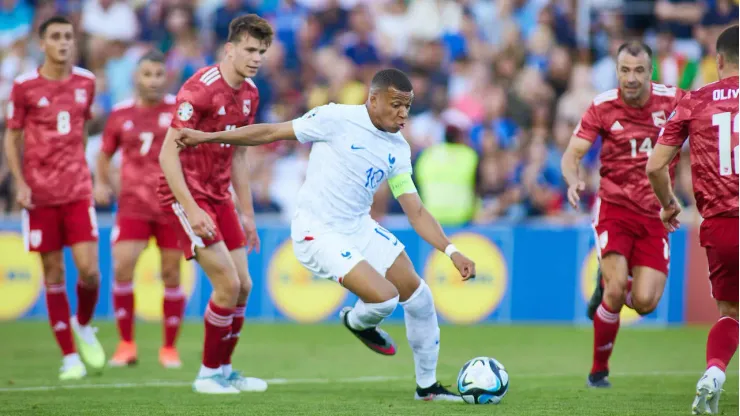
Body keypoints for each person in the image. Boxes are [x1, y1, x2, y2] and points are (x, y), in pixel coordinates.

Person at [176, 68, 477, 402]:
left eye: (407, 106)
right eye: (395, 104)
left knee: (419, 297)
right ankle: (358, 321)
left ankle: (428, 388)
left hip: (358, 226)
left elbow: (416, 211)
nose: (403, 113)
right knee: (386, 298)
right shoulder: (335, 117)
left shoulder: (398, 149)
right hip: (317, 231)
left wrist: (451, 251)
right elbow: (272, 131)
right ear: (373, 99)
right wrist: (206, 137)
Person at [560, 41, 684, 388]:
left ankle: (612, 281)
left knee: (645, 303)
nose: (631, 78)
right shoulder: (602, 106)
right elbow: (571, 155)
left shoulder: (674, 100)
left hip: (657, 213)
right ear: (616, 71)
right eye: (625, 70)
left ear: (651, 72)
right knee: (616, 291)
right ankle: (599, 370)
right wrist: (573, 180)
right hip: (614, 207)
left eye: (639, 70)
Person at [158, 14, 269, 394]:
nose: (256, 58)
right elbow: (167, 155)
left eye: (262, 51)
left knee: (244, 286)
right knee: (227, 282)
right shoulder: (199, 90)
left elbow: (238, 155)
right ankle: (207, 374)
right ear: (230, 48)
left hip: (220, 195)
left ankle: (224, 370)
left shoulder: (251, 93)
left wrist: (248, 214)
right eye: (250, 49)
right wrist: (191, 208)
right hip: (185, 194)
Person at [3, 15, 104, 381]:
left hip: (77, 190)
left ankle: (84, 323)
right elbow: (12, 137)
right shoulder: (25, 86)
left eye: (68, 37)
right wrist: (21, 182)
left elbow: (80, 129)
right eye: (56, 37)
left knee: (90, 271)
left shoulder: (86, 82)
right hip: (41, 194)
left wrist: (81, 168)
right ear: (42, 44)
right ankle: (69, 357)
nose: (64, 42)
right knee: (54, 273)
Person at [646, 24, 739, 415]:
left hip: (719, 225)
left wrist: (669, 203)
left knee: (730, 312)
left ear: (717, 61)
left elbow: (655, 166)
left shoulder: (693, 101)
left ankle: (715, 372)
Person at [95, 50, 185, 369]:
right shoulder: (120, 113)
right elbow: (104, 154)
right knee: (122, 268)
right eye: (147, 74)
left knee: (172, 274)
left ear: (167, 77)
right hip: (132, 205)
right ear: (136, 77)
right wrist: (101, 184)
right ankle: (126, 345)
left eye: (159, 74)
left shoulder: (179, 110)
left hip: (171, 206)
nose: (153, 81)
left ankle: (169, 348)